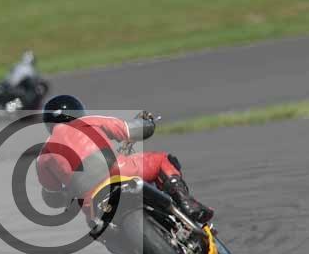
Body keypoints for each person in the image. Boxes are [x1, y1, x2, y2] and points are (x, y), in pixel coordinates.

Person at [36, 94, 214, 223]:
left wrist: (69, 191)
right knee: (161, 160)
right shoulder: (90, 121)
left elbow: (52, 197)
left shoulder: (44, 155)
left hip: (89, 198)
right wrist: (148, 123)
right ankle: (186, 202)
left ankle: (127, 252)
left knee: (96, 227)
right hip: (117, 170)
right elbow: (132, 130)